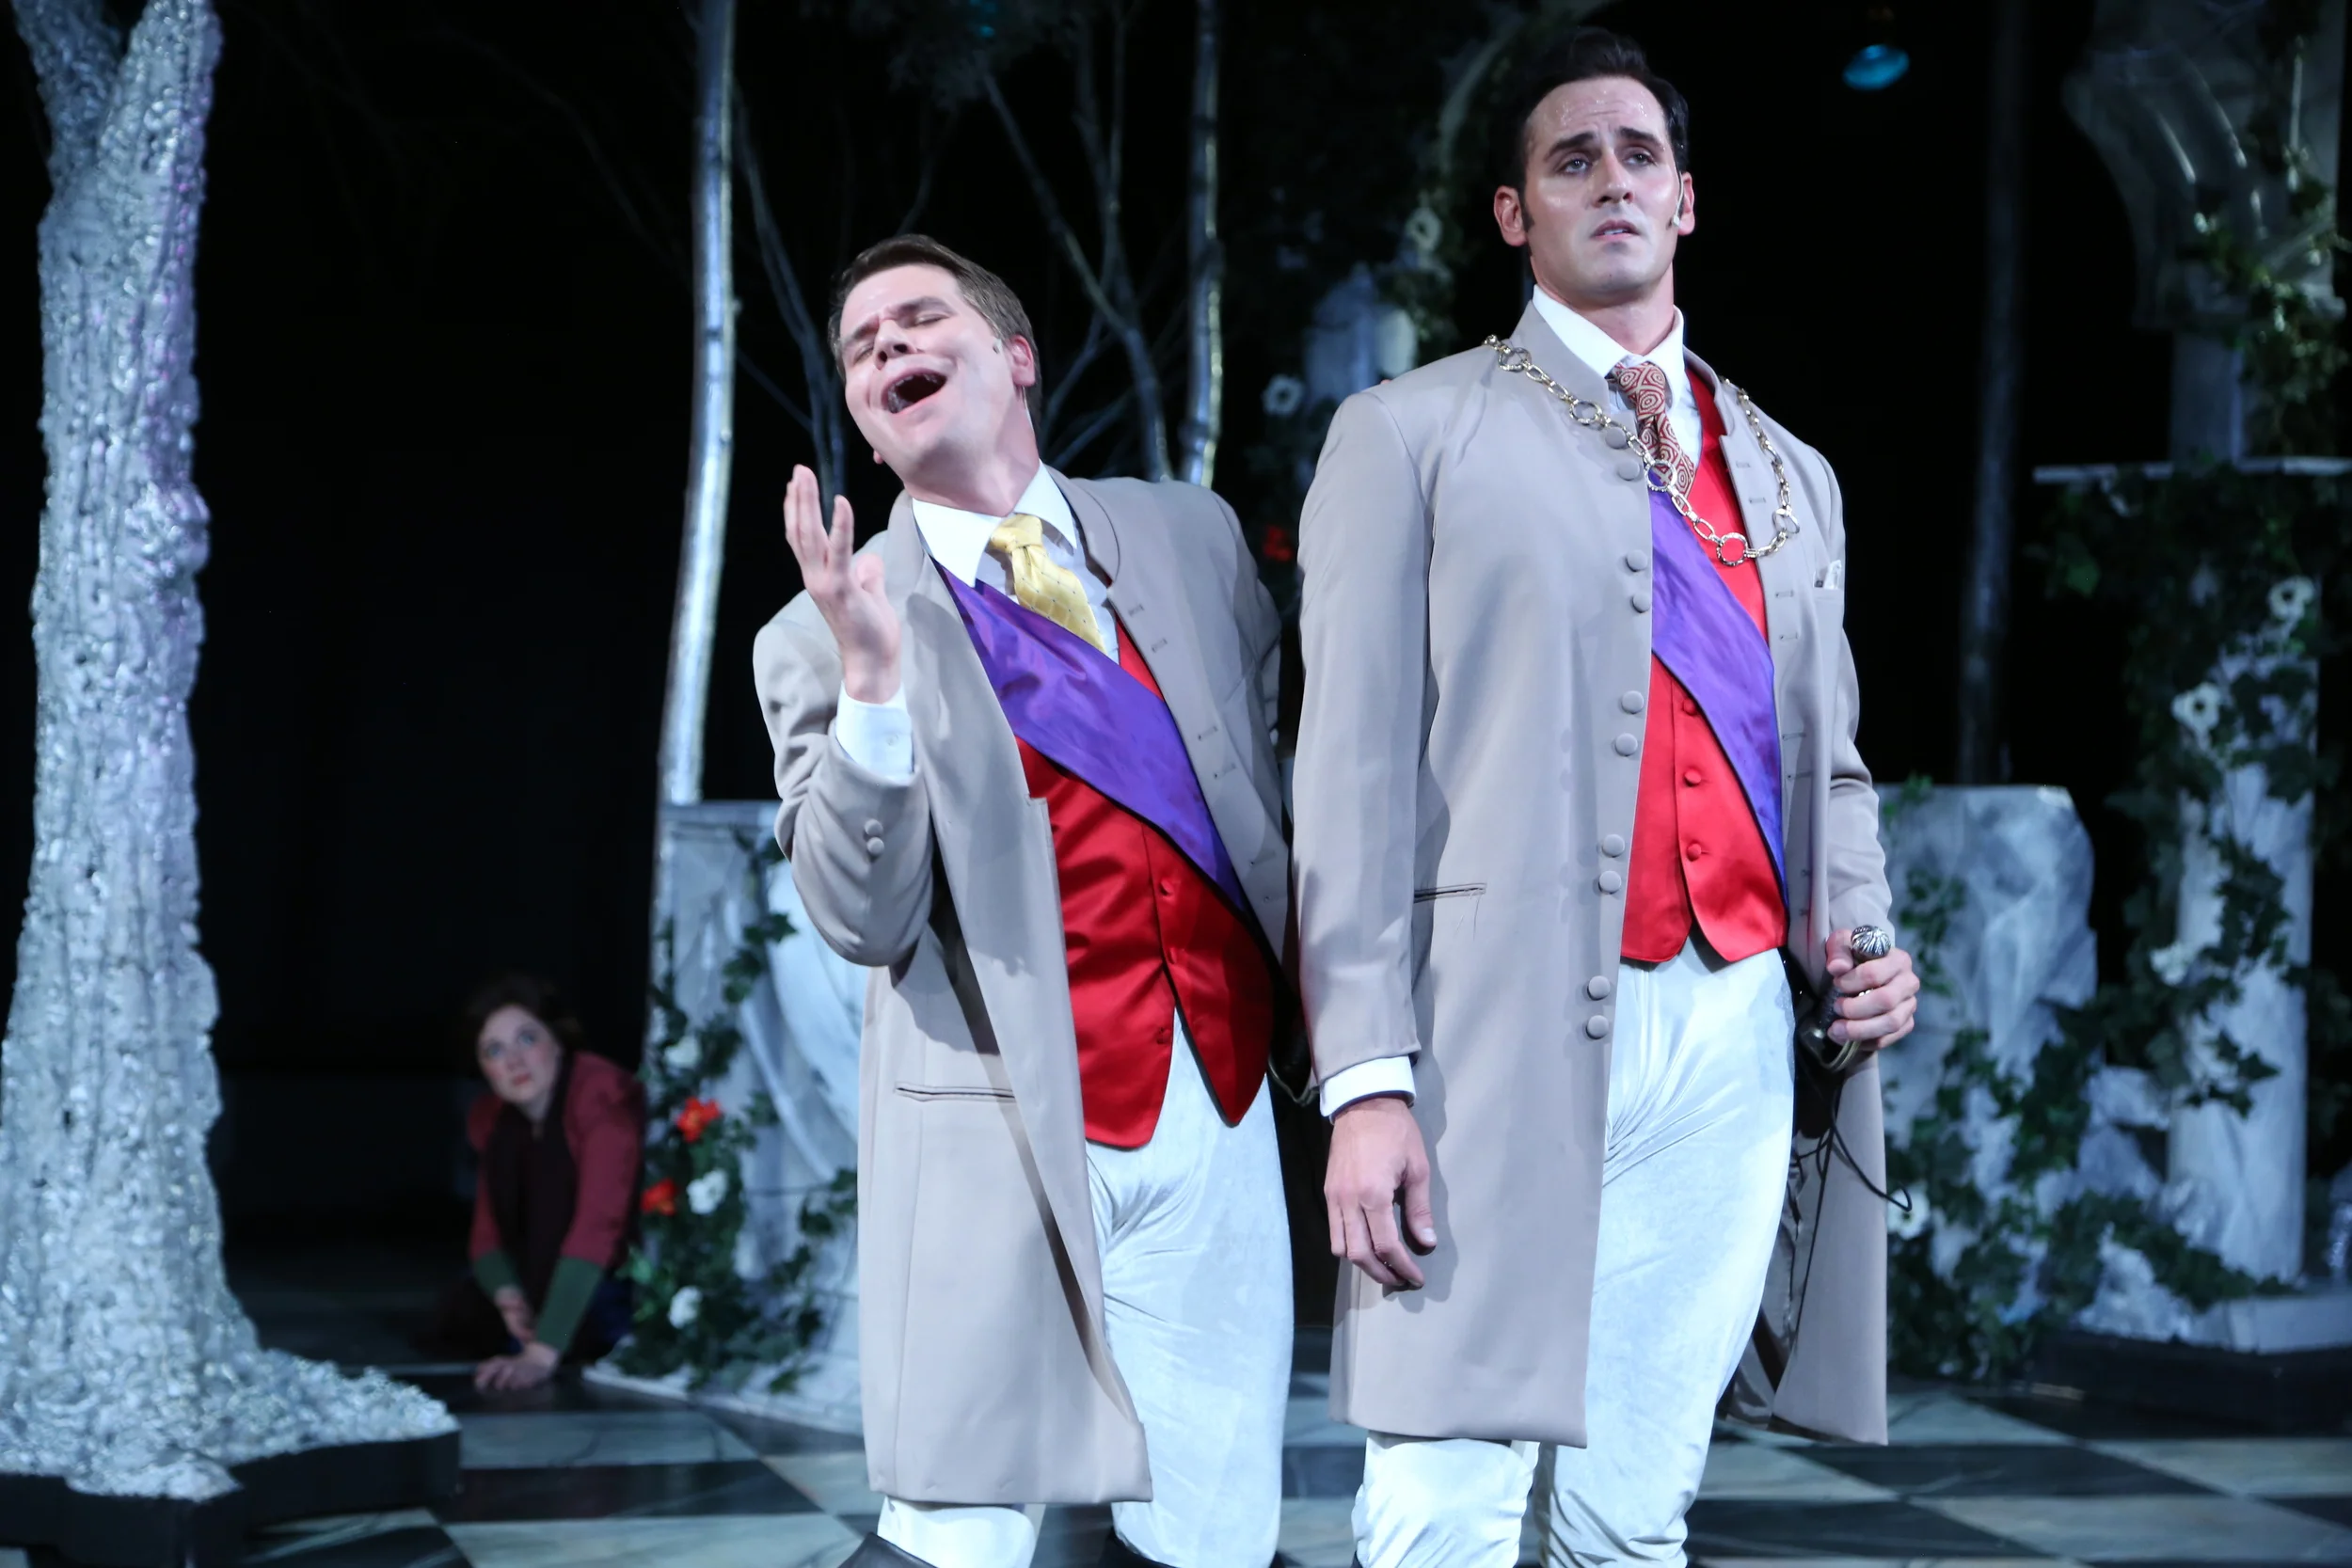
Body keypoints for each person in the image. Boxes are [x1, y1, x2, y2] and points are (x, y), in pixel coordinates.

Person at [1289, 27, 1923, 1568]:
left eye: (1641, 156)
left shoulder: (1793, 474)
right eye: (1573, 160)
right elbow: (1347, 780)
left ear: (1687, 199)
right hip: (1488, 1031)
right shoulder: (1410, 434)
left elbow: (1827, 759)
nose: (1614, 182)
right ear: (1517, 215)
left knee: (1636, 1509)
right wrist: (1364, 1080)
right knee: (1442, 1500)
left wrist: (1860, 935)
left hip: (1735, 1034)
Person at [752, 235, 1292, 1568]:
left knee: (1216, 1529)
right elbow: (861, 916)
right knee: (959, 1529)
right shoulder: (817, 633)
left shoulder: (1190, 537)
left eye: (917, 319)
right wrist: (873, 687)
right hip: (992, 1123)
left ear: (1016, 356)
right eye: (862, 346)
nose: (886, 347)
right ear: (867, 425)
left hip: (1216, 1106)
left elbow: (1268, 774)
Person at [434, 974, 644, 1392]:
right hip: (541, 1274)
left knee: (597, 1321)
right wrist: (508, 1296)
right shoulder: (497, 1121)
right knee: (467, 1310)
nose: (514, 1061)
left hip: (612, 1274)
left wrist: (541, 1353)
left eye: (527, 1039)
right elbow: (486, 1237)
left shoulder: (601, 1098)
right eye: (494, 1050)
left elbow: (598, 1228)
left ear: (558, 1041)